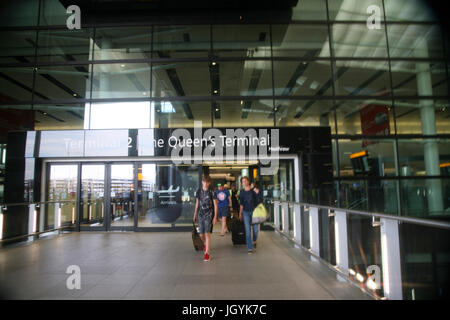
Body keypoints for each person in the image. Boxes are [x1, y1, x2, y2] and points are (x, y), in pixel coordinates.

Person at [193, 175, 218, 262]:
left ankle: (207, 253)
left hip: (209, 215)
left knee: (207, 233)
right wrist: (195, 214)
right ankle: (205, 244)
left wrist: (215, 216)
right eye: (204, 182)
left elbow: (215, 205)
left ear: (209, 183)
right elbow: (197, 204)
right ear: (202, 182)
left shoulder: (212, 192)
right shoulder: (199, 191)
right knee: (201, 234)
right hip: (200, 214)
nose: (206, 184)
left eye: (207, 182)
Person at [239, 176, 259, 254]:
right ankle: (249, 248)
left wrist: (253, 188)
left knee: (255, 230)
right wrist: (240, 213)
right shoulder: (242, 192)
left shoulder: (252, 190)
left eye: (245, 181)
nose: (244, 183)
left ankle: (254, 240)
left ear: (248, 181)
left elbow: (258, 192)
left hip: (254, 211)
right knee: (247, 231)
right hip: (245, 212)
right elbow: (241, 204)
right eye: (242, 181)